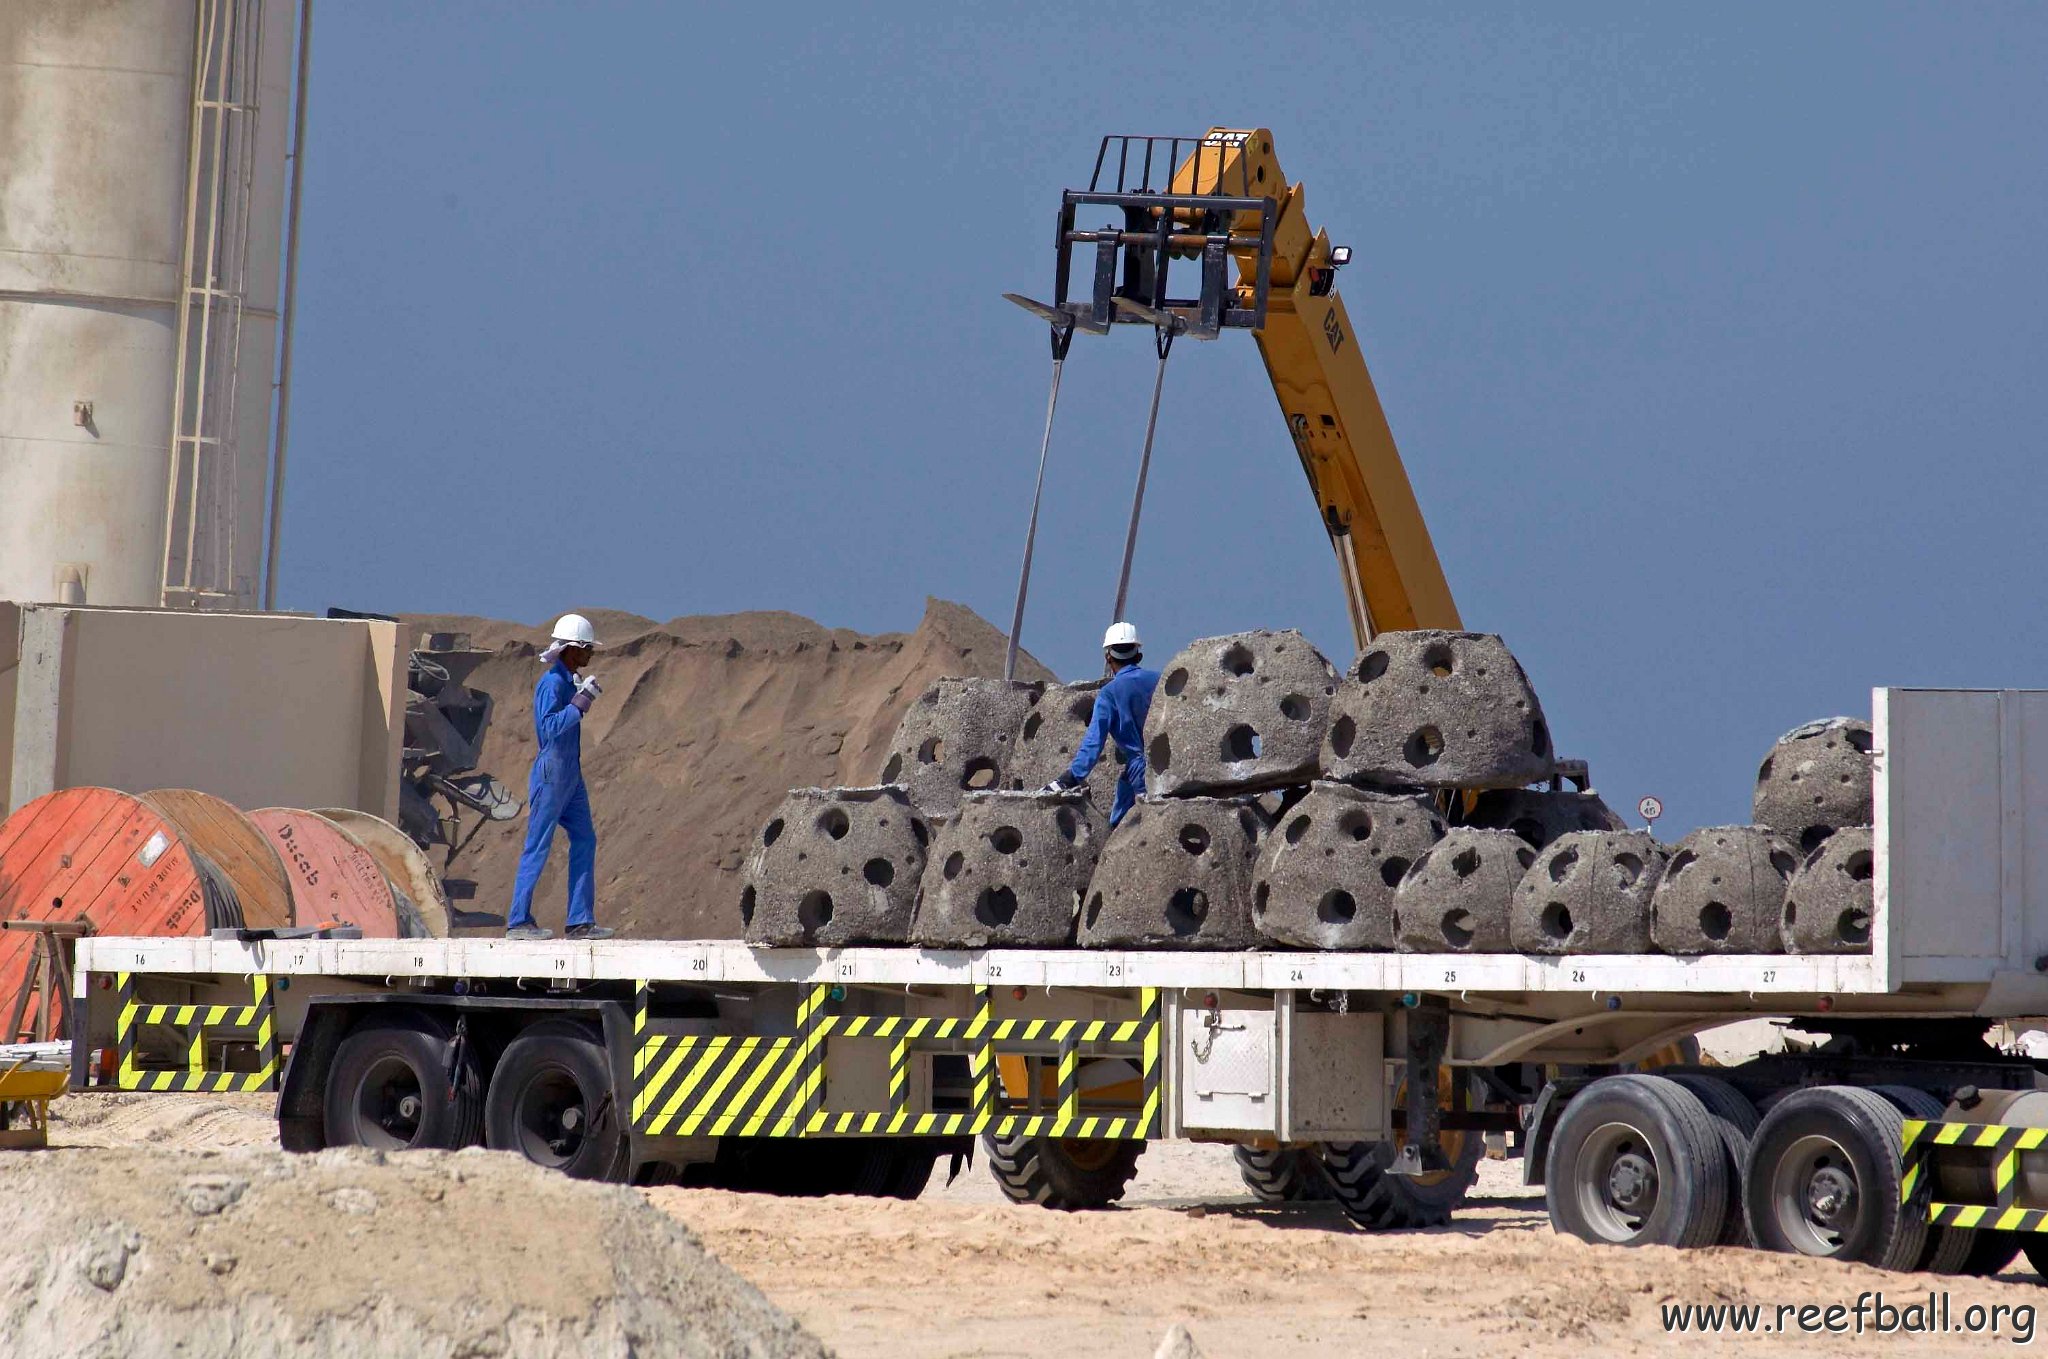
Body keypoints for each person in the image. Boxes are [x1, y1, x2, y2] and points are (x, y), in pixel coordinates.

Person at [507, 613, 616, 940]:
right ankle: (518, 921)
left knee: (585, 838)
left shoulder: (567, 681)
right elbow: (549, 727)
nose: (590, 655)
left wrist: (579, 694)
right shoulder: (552, 683)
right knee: (537, 845)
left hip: (570, 774)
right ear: (571, 648)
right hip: (552, 773)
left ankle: (580, 920)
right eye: (586, 649)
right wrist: (581, 703)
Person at [1042, 621, 1159, 825]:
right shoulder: (1160, 680)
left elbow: (1093, 744)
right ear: (1138, 654)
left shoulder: (1109, 694)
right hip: (1166, 765)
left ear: (1108, 657)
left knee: (1128, 829)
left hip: (1140, 773)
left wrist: (1069, 778)